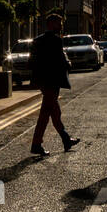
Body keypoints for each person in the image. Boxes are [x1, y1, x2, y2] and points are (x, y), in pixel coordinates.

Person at [28, 13, 81, 157]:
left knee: (55, 112)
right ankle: (36, 144)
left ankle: (66, 139)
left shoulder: (37, 40)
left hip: (43, 82)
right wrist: (69, 64)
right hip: (52, 82)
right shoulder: (56, 41)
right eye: (58, 23)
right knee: (45, 114)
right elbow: (61, 62)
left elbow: (31, 62)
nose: (61, 26)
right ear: (51, 24)